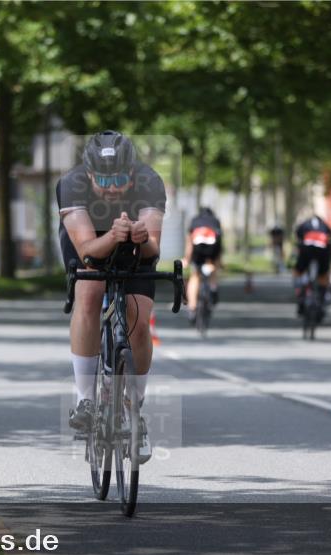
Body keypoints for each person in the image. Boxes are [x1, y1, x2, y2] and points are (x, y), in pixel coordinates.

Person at [57, 130, 165, 463]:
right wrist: (113, 236)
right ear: (88, 174)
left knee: (138, 316)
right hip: (89, 240)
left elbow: (153, 249)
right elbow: (88, 251)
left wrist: (139, 236)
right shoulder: (71, 184)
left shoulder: (149, 181)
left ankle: (135, 409)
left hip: (135, 244)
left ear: (132, 173)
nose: (111, 186)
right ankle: (86, 400)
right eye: (102, 179)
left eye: (119, 178)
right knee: (89, 292)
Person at [184, 206, 223, 323]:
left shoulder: (195, 221)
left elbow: (189, 243)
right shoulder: (215, 221)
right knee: (213, 266)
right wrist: (219, 262)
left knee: (195, 276)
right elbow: (219, 243)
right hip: (212, 248)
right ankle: (213, 288)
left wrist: (187, 259)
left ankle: (192, 308)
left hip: (197, 248)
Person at [292, 214, 331, 318]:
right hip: (322, 250)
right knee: (323, 275)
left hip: (307, 248)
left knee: (298, 271)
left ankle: (299, 293)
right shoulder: (324, 225)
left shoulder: (304, 224)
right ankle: (322, 299)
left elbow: (298, 235)